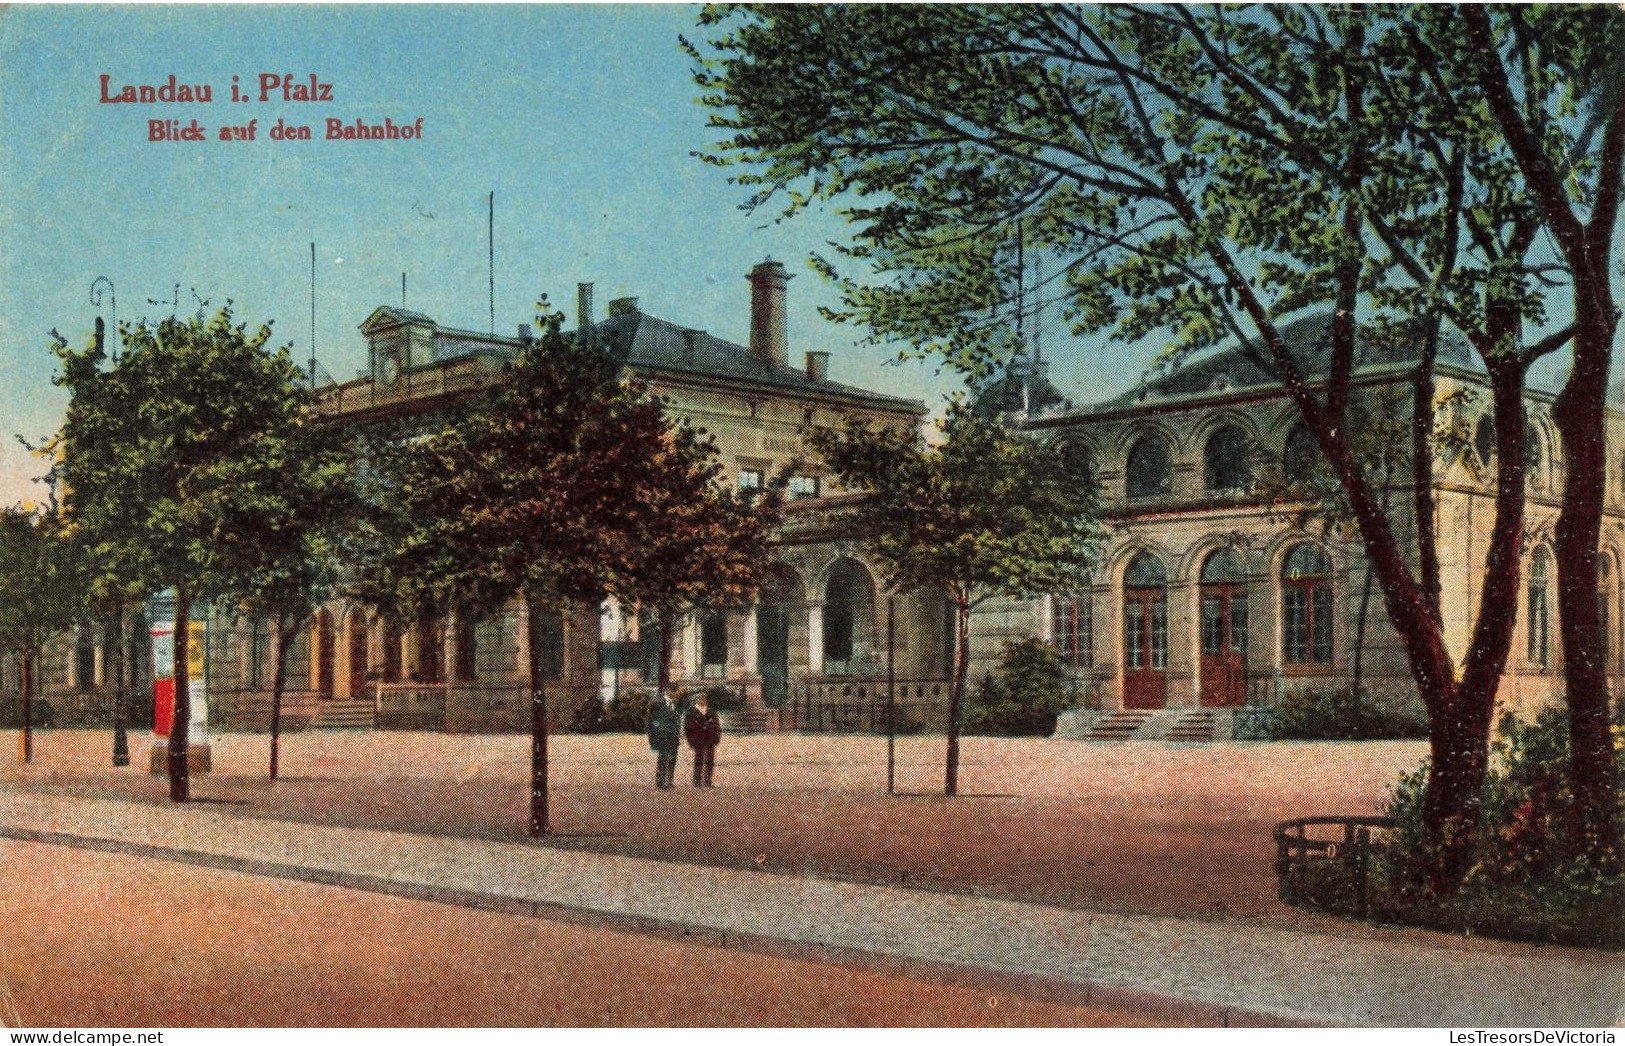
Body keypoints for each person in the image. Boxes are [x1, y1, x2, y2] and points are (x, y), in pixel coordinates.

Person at [646, 689, 683, 789]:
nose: (677, 695)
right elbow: (653, 720)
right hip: (663, 737)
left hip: (673, 737)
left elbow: (676, 720)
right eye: (676, 692)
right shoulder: (658, 703)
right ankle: (660, 782)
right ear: (669, 691)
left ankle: (669, 781)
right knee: (663, 759)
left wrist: (679, 733)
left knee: (672, 759)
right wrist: (659, 730)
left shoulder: (674, 704)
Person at [685, 690, 722, 787]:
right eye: (700, 699)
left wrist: (717, 737)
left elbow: (717, 725)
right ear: (696, 700)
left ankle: (708, 781)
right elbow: (687, 727)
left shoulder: (711, 711)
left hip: (710, 738)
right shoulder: (691, 711)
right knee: (699, 760)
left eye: (704, 699)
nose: (702, 701)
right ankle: (696, 782)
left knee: (710, 760)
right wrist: (690, 740)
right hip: (698, 739)